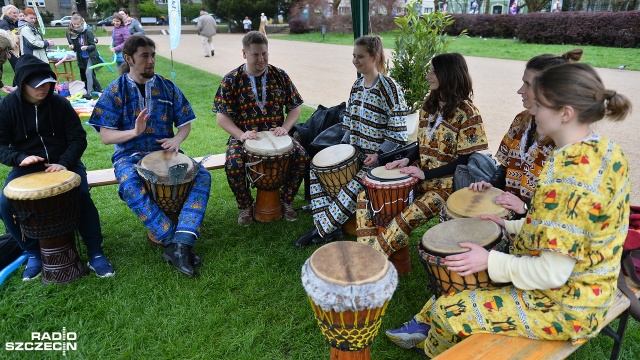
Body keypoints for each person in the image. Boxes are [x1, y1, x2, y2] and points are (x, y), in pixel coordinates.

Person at [385, 62, 632, 357]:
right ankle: (426, 327)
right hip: (578, 284)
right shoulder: (603, 150)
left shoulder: (571, 176)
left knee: (449, 312)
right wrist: (509, 227)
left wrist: (491, 261)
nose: (532, 110)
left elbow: (552, 274)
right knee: (459, 282)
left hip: (567, 306)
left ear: (566, 113)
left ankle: (434, 348)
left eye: (539, 104)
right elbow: (564, 227)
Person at [89, 35, 211, 277]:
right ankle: (173, 242)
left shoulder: (167, 87)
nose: (151, 60)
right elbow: (106, 136)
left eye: (153, 55)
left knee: (202, 176)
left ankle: (182, 242)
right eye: (145, 55)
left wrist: (177, 139)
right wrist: (134, 132)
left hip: (165, 153)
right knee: (131, 184)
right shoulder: (115, 90)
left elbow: (185, 122)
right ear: (129, 58)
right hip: (129, 154)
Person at [356, 53, 489, 257]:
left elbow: (464, 160)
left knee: (405, 219)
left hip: (445, 187)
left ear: (448, 74)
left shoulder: (468, 113)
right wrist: (407, 158)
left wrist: (425, 174)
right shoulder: (429, 107)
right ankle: (366, 250)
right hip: (418, 177)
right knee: (366, 197)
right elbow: (423, 143)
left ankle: (369, 261)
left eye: (434, 71)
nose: (428, 76)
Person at [0, 54, 115, 280]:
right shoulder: (7, 106)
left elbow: (78, 138)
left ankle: (95, 252)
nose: (43, 89)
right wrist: (19, 158)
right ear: (21, 83)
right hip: (27, 166)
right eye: (36, 86)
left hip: (64, 163)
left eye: (47, 84)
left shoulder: (60, 104)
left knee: (80, 194)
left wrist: (64, 163)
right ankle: (33, 252)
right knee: (5, 203)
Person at [295, 35, 408, 247]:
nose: (355, 60)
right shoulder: (356, 86)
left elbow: (399, 131)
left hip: (377, 160)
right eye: (353, 56)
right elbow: (349, 122)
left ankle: (321, 231)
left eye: (361, 56)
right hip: (354, 154)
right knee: (315, 170)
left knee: (353, 186)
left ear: (374, 57)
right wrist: (342, 149)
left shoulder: (389, 88)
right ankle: (332, 227)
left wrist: (379, 155)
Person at [468, 49, 583, 219]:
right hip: (508, 210)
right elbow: (506, 166)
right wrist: (490, 187)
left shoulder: (568, 139)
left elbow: (569, 198)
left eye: (528, 84)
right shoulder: (521, 121)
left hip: (539, 222)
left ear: (549, 90)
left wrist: (525, 206)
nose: (520, 90)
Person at [214, 31, 309, 226]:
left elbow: (295, 108)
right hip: (245, 137)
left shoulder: (280, 75)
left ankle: (285, 201)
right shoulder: (231, 79)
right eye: (255, 54)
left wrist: (285, 127)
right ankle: (245, 206)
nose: (261, 59)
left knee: (301, 156)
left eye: (264, 53)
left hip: (278, 135)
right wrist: (241, 135)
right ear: (244, 54)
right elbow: (221, 117)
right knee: (233, 162)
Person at [68, 15, 103, 99]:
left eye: (78, 24)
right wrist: (73, 46)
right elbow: (77, 47)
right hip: (82, 57)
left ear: (81, 23)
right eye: (74, 24)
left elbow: (93, 46)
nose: (76, 26)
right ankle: (101, 90)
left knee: (88, 73)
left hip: (90, 56)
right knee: (90, 75)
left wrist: (87, 47)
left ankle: (89, 93)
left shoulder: (87, 32)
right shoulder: (74, 33)